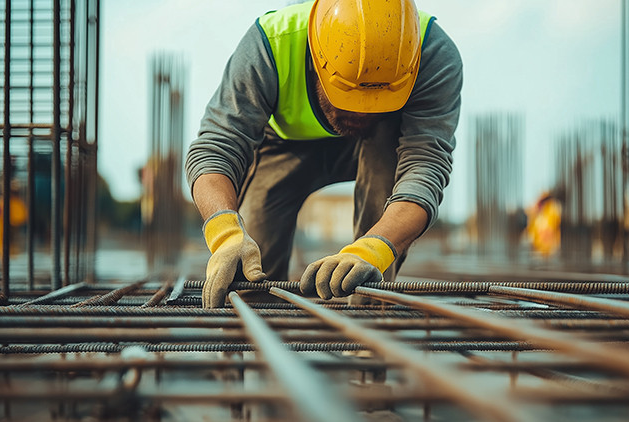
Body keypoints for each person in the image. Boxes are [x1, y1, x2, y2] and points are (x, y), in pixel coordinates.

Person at [186, 0, 462, 308]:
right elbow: (217, 147)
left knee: (368, 266)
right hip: (283, 146)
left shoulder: (432, 52)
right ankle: (255, 339)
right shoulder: (270, 44)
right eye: (349, 94)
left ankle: (367, 320)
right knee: (250, 270)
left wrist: (373, 250)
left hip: (380, 146)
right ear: (316, 58)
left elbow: (424, 168)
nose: (360, 111)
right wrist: (224, 232)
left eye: (375, 98)